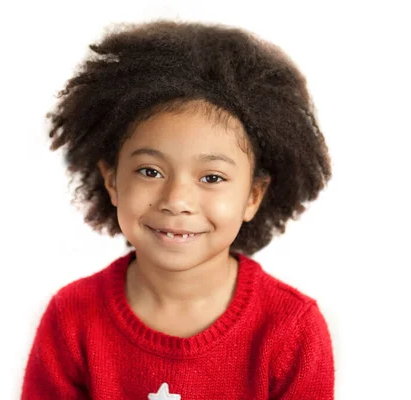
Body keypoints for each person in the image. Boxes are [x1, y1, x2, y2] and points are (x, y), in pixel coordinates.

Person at [21, 20, 334, 399]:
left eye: (212, 177)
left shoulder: (291, 329)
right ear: (112, 181)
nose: (177, 200)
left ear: (253, 196)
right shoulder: (71, 318)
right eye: (150, 171)